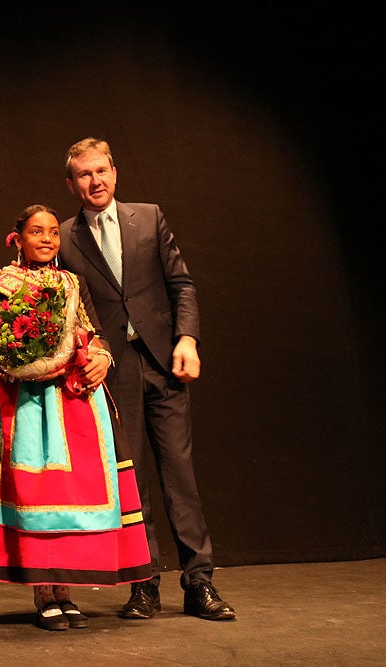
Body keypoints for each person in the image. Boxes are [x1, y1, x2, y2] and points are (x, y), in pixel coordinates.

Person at [57, 137, 236, 621]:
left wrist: (187, 339)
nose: (96, 181)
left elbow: (181, 285)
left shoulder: (149, 217)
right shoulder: (65, 236)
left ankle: (200, 583)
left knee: (179, 474)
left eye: (102, 171)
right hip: (113, 369)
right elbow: (68, 307)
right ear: (71, 184)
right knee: (129, 478)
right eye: (85, 175)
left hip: (162, 360)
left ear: (114, 172)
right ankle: (143, 584)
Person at [0, 204, 152, 631]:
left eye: (52, 233)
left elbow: (93, 328)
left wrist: (100, 357)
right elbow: (4, 347)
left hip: (75, 400)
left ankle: (65, 590)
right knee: (35, 493)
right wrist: (54, 360)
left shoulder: (72, 282)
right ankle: (43, 592)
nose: (46, 239)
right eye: (36, 232)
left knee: (73, 493)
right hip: (26, 402)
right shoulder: (1, 285)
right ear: (18, 238)